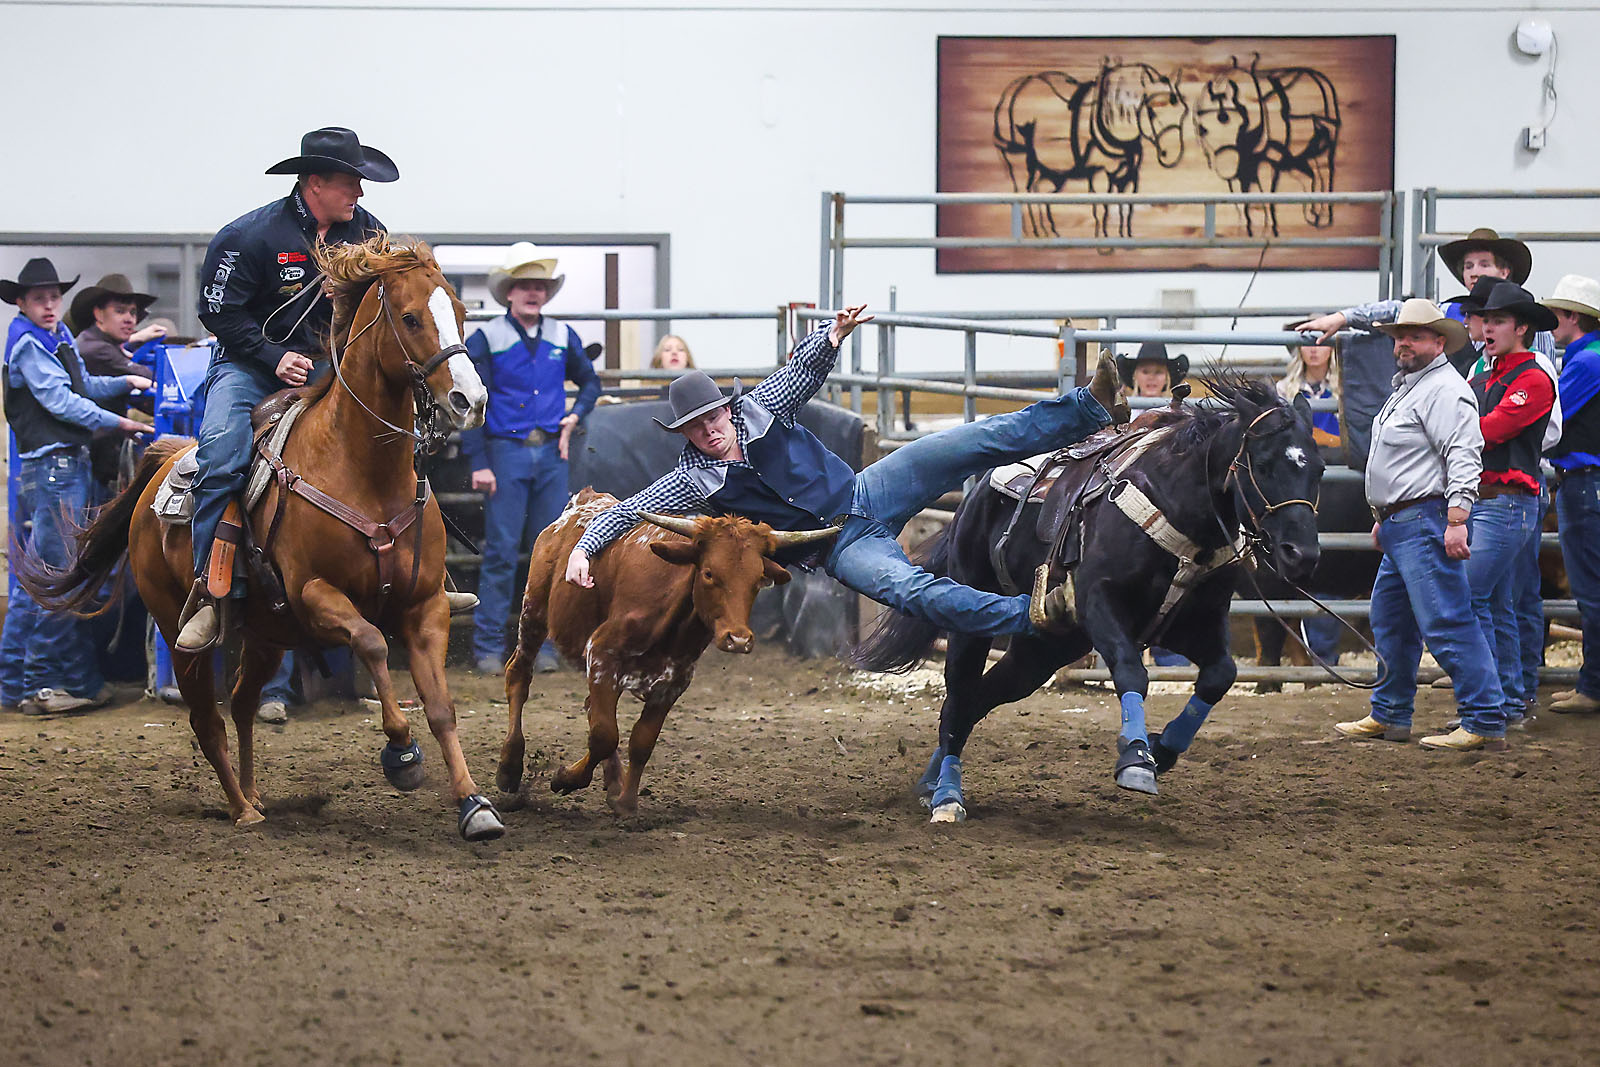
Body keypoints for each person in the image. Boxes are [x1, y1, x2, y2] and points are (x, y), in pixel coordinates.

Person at [564, 304, 1129, 640]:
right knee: (914, 591)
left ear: (723, 409)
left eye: (711, 416)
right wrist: (586, 547)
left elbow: (799, 375)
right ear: (685, 434)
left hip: (868, 488)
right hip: (835, 545)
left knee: (971, 440)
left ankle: (1091, 406)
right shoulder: (692, 478)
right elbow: (632, 508)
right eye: (695, 425)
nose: (708, 429)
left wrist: (829, 337)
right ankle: (1036, 615)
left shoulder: (758, 408)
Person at [174, 127, 476, 652]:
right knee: (222, 455)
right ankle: (210, 589)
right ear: (316, 182)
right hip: (248, 367)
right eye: (350, 183)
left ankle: (424, 580)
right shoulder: (249, 237)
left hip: (330, 366)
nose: (359, 194)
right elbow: (217, 312)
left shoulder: (368, 232)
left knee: (391, 441)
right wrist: (273, 355)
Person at [1332, 299, 1508, 751]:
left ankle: (1485, 718)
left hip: (1425, 519)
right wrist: (1382, 517)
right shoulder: (1413, 387)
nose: (1404, 343)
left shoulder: (1444, 390)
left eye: (1415, 335)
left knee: (1447, 620)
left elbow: (1465, 454)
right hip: (1403, 522)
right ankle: (1390, 713)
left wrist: (1457, 518)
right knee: (1391, 620)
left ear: (1439, 341)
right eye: (1399, 336)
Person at [1, 258, 150, 714]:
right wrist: (121, 420)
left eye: (53, 297)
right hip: (54, 466)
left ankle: (15, 683)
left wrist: (123, 380)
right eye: (39, 299)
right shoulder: (31, 343)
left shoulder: (53, 336)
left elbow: (83, 385)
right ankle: (45, 682)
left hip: (59, 465)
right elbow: (62, 400)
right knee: (58, 576)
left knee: (40, 579)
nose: (49, 305)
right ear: (23, 302)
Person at [461, 243, 602, 674]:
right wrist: (478, 461)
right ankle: (487, 647)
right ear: (509, 292)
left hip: (550, 454)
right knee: (503, 551)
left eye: (539, 286)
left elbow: (590, 383)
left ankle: (545, 646)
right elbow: (469, 401)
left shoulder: (562, 336)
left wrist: (573, 417)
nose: (533, 293)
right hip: (506, 452)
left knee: (554, 553)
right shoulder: (486, 338)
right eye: (525, 285)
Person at [1462, 282, 1557, 732]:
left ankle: (1488, 702)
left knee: (1473, 597)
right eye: (1486, 320)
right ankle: (1507, 699)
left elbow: (1487, 431)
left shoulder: (1532, 377)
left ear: (1522, 328)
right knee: (1498, 602)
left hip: (1506, 502)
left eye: (1498, 321)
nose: (1487, 328)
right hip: (1498, 502)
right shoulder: (1490, 375)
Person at [1295, 228, 1555, 360]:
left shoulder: (1530, 320)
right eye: (1468, 266)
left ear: (1505, 271)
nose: (1474, 273)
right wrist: (1343, 317)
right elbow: (1400, 310)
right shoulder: (1449, 312)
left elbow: (1545, 376)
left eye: (1484, 264)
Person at [1543, 275, 1600, 714]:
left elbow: (1552, 420)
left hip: (1585, 482)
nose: (1551, 323)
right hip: (1586, 483)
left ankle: (1594, 686)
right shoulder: (1589, 356)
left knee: (1591, 588)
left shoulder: (1587, 363)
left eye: (1556, 315)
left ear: (1572, 317)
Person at [69, 273, 163, 490]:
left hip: (98, 448)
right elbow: (151, 378)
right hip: (98, 452)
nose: (130, 319)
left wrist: (131, 341)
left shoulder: (96, 343)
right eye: (120, 311)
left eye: (132, 312)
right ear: (98, 314)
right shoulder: (98, 350)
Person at [1117, 340, 1187, 399]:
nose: (1151, 377)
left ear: (1166, 378)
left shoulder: (1176, 413)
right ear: (1135, 376)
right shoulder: (1124, 414)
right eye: (1145, 372)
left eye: (1158, 372)